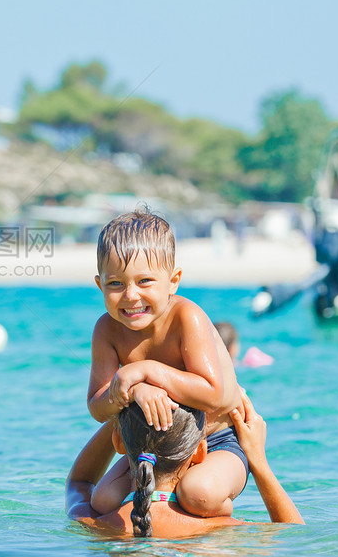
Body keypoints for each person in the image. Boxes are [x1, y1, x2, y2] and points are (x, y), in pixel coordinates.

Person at [88, 209, 246, 517]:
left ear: (173, 281)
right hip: (150, 449)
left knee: (198, 494)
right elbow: (97, 407)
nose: (131, 295)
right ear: (100, 285)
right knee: (103, 501)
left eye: (145, 281)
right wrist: (131, 392)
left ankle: (218, 533)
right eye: (115, 284)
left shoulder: (187, 318)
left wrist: (145, 372)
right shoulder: (106, 330)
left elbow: (217, 394)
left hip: (215, 442)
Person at [66, 392, 303, 538]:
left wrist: (121, 417)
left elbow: (79, 481)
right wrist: (258, 460)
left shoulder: (92, 523)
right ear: (201, 452)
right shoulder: (223, 531)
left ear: (118, 441)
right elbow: (295, 537)